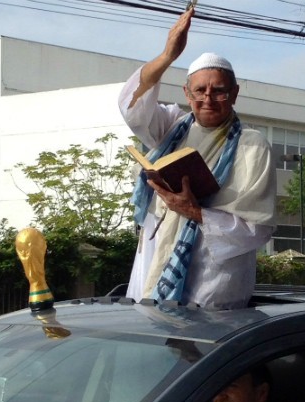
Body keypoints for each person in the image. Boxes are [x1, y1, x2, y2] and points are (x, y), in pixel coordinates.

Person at [119, 6, 277, 309]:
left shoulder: (252, 146)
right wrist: (167, 56)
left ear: (234, 93)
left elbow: (257, 230)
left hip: (211, 281)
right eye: (200, 90)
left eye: (218, 91)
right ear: (187, 93)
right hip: (153, 260)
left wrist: (196, 212)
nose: (208, 98)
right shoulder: (171, 127)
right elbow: (131, 106)